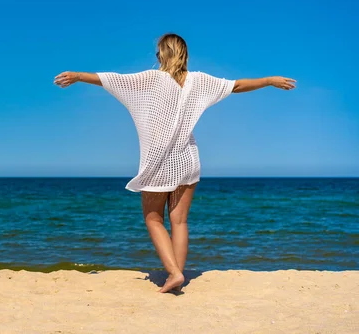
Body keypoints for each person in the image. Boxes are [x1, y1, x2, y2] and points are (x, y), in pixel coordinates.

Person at [53, 33, 296, 293]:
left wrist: (78, 75)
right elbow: (236, 85)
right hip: (188, 159)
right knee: (179, 221)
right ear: (185, 55)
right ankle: (177, 276)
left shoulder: (149, 78)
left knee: (153, 218)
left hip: (159, 162)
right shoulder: (200, 81)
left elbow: (111, 79)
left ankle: (174, 273)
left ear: (161, 54)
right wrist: (269, 80)